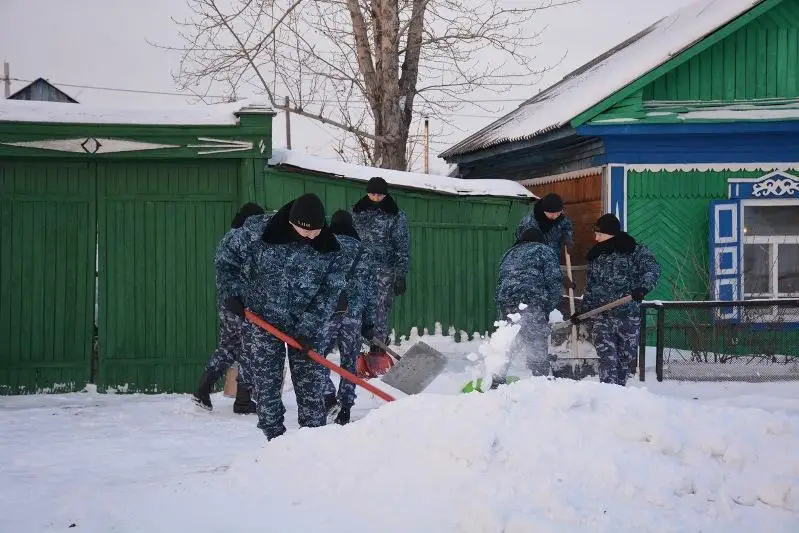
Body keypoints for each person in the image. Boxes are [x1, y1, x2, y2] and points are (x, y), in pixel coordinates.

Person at [215, 193, 348, 440]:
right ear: (290, 221)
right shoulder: (260, 231)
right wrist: (231, 292)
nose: (310, 237)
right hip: (263, 321)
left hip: (306, 327)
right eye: (304, 231)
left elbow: (329, 293)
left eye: (315, 231)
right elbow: (227, 256)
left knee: (311, 389)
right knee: (267, 387)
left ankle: (312, 444)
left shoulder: (331, 249)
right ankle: (275, 442)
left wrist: (309, 327)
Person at [193, 202, 264, 414]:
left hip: (227, 303)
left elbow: (223, 269)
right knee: (249, 349)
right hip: (243, 305)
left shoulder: (229, 237)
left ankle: (202, 389)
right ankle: (243, 400)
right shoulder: (246, 238)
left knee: (228, 347)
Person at [574, 214, 660, 386]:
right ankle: (608, 395)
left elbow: (652, 269)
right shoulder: (597, 255)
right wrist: (582, 311)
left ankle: (619, 397)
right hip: (602, 316)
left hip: (628, 315)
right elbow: (590, 288)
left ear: (611, 233)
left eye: (599, 233)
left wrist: (643, 288)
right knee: (607, 358)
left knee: (624, 359)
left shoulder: (635, 251)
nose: (595, 237)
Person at [318, 210, 377, 425]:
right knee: (348, 362)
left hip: (328, 314)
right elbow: (372, 292)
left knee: (318, 358)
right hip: (353, 316)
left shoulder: (324, 247)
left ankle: (327, 397)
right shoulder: (364, 252)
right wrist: (369, 323)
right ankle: (346, 410)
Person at [493, 227, 563, 384]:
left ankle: (495, 380)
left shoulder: (509, 253)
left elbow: (501, 282)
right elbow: (553, 281)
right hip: (531, 301)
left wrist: (503, 309)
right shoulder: (544, 250)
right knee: (536, 344)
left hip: (507, 303)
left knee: (506, 344)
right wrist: (547, 308)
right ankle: (541, 384)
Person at [352, 177, 410, 350]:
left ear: (385, 194)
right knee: (357, 307)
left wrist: (400, 274)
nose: (375, 197)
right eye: (372, 193)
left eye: (379, 195)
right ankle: (358, 349)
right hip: (358, 270)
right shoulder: (357, 212)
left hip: (383, 270)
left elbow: (402, 245)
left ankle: (378, 347)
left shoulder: (395, 215)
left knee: (379, 309)